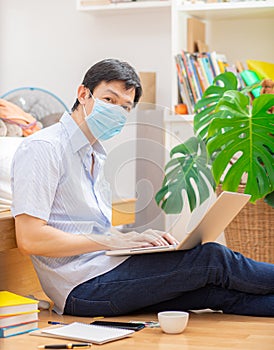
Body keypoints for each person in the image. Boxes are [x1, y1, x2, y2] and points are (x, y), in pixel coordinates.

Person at [11, 58, 274, 317]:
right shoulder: (43, 148)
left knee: (216, 292)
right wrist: (113, 241)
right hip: (83, 288)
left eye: (125, 107)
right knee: (212, 258)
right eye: (109, 100)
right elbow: (30, 238)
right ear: (83, 94)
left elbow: (93, 230)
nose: (116, 111)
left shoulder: (94, 154)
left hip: (108, 268)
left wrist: (134, 242)